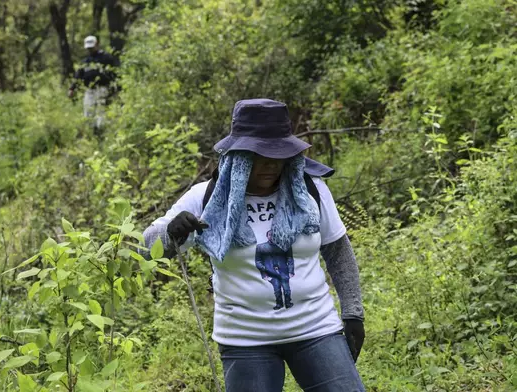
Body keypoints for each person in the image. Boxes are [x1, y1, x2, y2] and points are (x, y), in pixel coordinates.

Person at [143, 99, 366, 392]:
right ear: (239, 154)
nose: (271, 164)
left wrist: (353, 313)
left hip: (316, 329)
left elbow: (338, 251)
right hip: (245, 339)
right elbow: (148, 246)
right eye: (260, 154)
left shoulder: (311, 189)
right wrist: (171, 232)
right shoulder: (207, 197)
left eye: (279, 154)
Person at [67, 35, 120, 130]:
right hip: (89, 91)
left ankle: (101, 135)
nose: (90, 50)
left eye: (92, 47)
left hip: (103, 90)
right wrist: (72, 88)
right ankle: (92, 136)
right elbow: (78, 76)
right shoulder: (85, 62)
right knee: (88, 117)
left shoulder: (106, 58)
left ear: (97, 45)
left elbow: (115, 73)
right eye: (89, 48)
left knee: (102, 117)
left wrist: (116, 89)